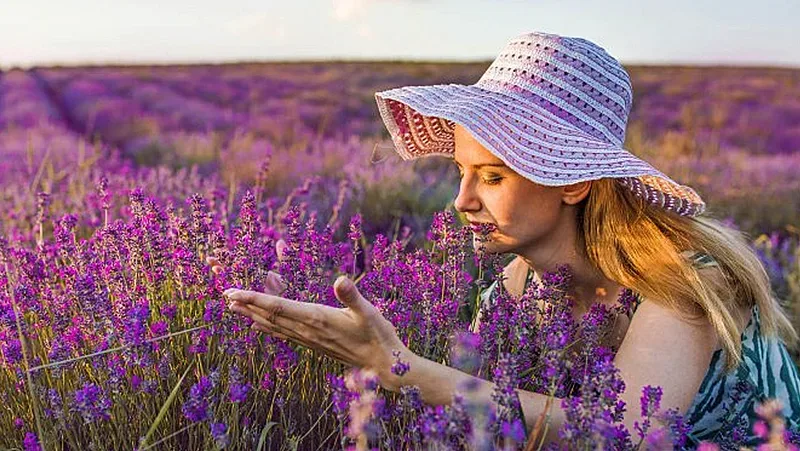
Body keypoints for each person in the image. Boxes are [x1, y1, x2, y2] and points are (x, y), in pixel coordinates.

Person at [215, 31, 800, 447]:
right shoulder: (514, 291)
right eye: (461, 172)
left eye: (493, 176)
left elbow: (630, 433)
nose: (461, 201)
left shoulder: (682, 277)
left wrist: (401, 369)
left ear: (571, 181)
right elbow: (503, 412)